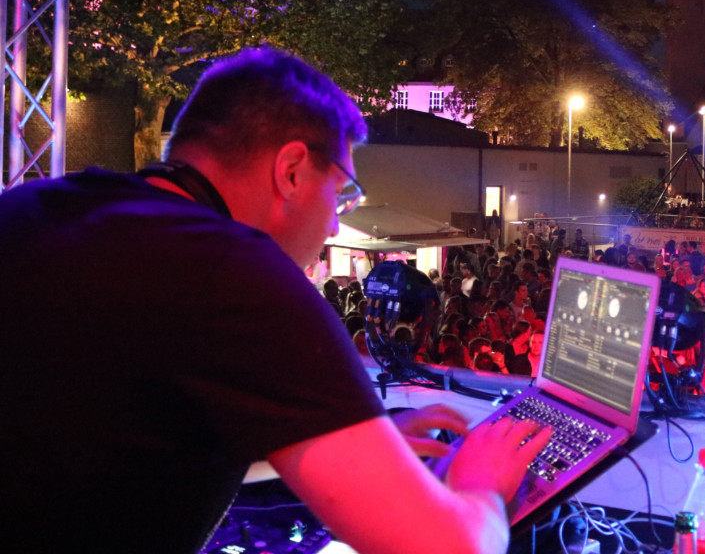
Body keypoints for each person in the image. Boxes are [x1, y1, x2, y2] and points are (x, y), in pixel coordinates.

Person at [0, 48, 552, 554]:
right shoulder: (231, 268)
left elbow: (125, 454)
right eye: (342, 192)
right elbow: (450, 547)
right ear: (291, 171)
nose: (334, 223)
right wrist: (482, 481)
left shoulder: (38, 207)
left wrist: (350, 452)